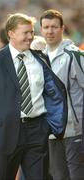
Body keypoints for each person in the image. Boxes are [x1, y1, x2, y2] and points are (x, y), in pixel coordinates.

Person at [0, 13, 67, 180]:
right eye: (25, 33)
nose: (30, 37)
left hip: (37, 131)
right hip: (2, 135)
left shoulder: (40, 58)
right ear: (11, 34)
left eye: (31, 32)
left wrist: (49, 125)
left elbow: (51, 93)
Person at [36, 9, 84, 180]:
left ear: (62, 28)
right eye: (46, 27)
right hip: (51, 132)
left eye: (54, 27)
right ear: (41, 30)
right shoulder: (38, 58)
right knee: (58, 177)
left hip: (75, 131)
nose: (50, 31)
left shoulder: (75, 55)